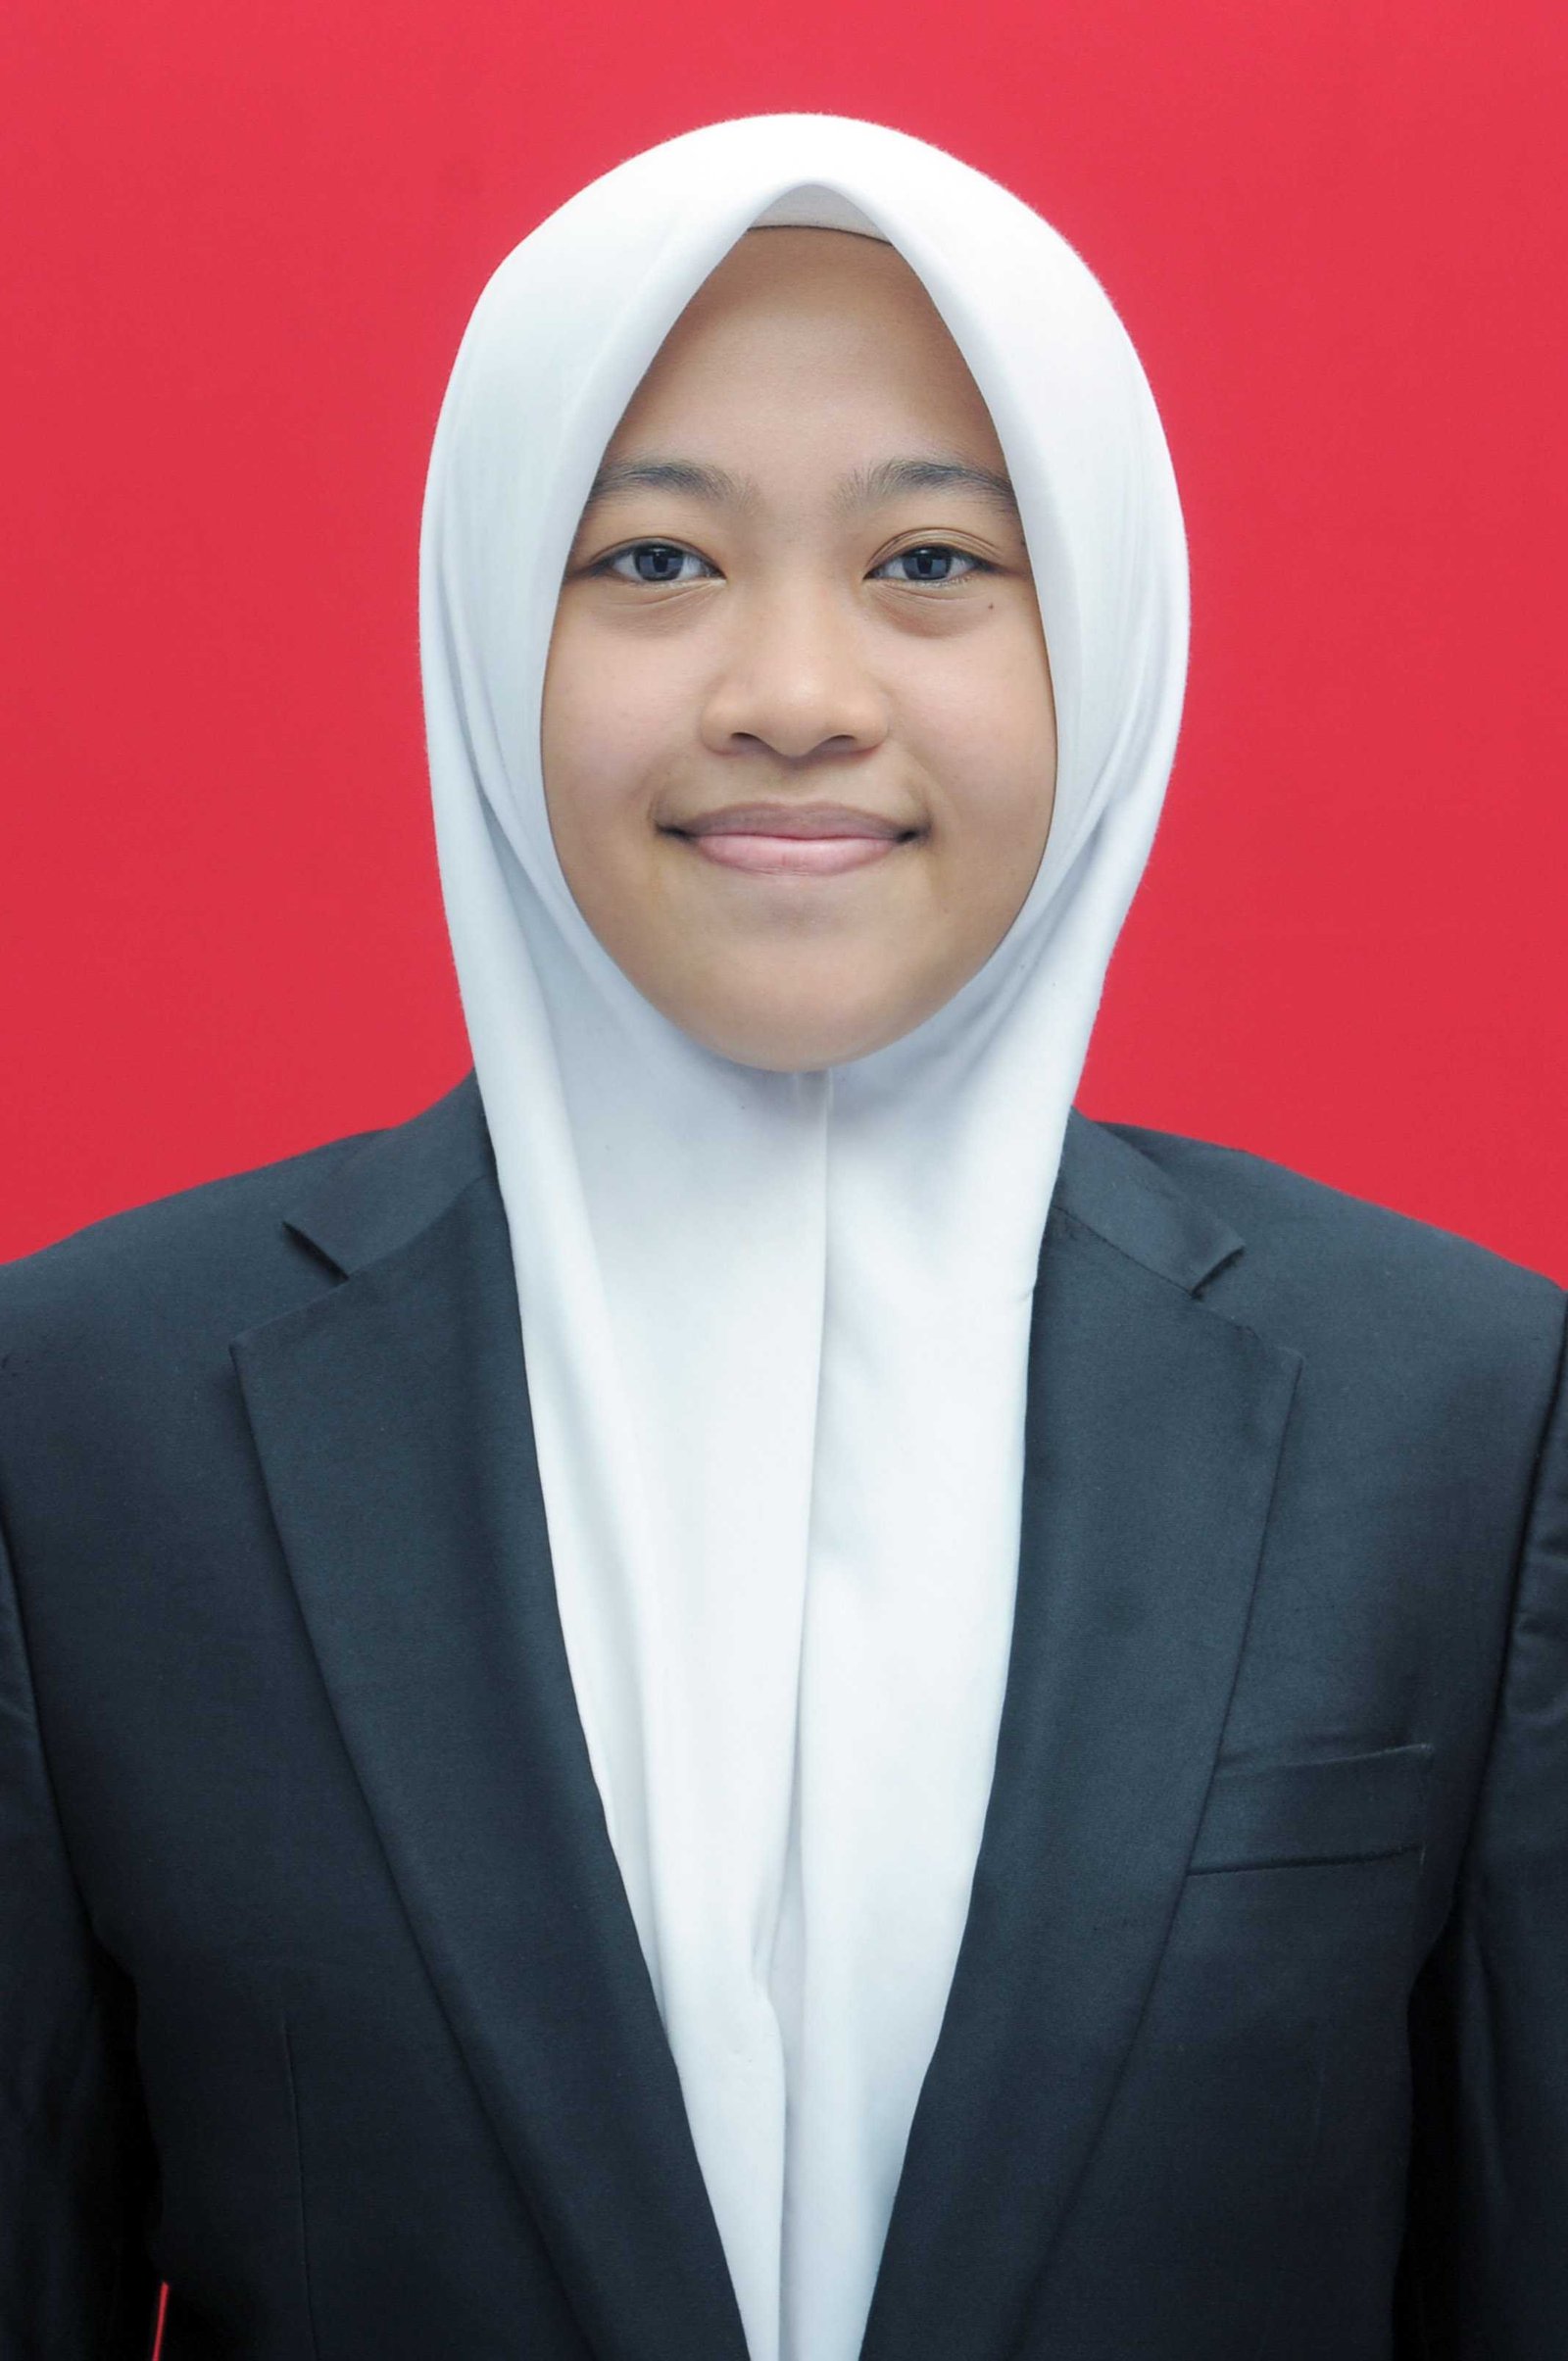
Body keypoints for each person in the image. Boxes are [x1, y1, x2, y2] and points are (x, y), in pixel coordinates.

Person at [0, 110, 1562, 2361]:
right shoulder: (81, 1429)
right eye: (652, 559)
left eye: (929, 559)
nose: (796, 693)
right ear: (485, 620)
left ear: (1103, 629)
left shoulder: (1457, 1417)